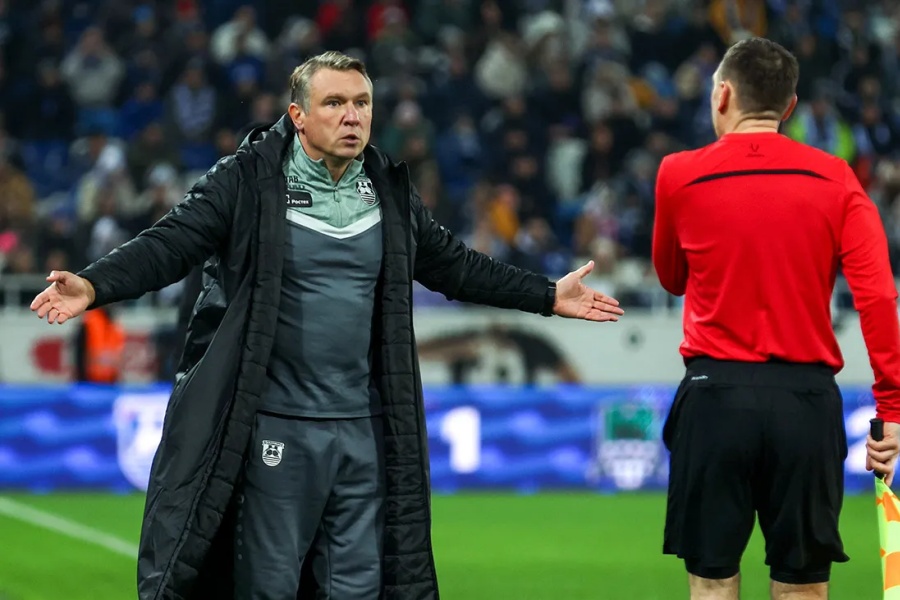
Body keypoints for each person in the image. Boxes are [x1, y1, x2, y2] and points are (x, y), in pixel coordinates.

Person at [29, 50, 625, 600]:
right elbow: (171, 242)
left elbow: (456, 266)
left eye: (362, 103)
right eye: (334, 103)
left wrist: (546, 294)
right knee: (268, 590)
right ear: (298, 116)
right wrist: (95, 284)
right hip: (276, 428)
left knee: (357, 591)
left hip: (364, 434)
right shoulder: (247, 180)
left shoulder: (388, 192)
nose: (351, 116)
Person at [652, 37, 900, 600]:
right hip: (805, 404)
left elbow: (670, 277)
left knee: (711, 584)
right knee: (803, 588)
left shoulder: (678, 174)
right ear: (789, 107)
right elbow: (878, 296)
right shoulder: (836, 177)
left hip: (714, 398)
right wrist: (891, 407)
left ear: (722, 95)